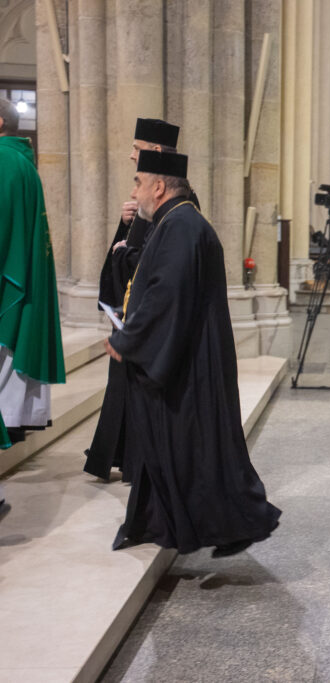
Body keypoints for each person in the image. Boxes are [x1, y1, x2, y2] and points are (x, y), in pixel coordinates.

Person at [106, 150, 280, 556]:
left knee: (196, 453)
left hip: (190, 365)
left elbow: (167, 295)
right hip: (189, 357)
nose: (134, 192)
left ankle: (235, 524)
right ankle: (156, 522)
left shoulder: (181, 226)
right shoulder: (177, 222)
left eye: (138, 182)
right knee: (177, 451)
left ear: (159, 187)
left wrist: (127, 340)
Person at [85, 117, 198, 482]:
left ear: (156, 151)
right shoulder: (151, 199)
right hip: (133, 308)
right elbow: (136, 248)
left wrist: (125, 254)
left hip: (150, 314)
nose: (131, 154)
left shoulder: (181, 206)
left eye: (136, 148)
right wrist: (125, 225)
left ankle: (138, 462)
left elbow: (159, 262)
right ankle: (120, 456)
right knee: (121, 385)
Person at [0, 97, 64, 447]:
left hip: (7, 276)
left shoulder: (3, 160)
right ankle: (14, 422)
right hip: (22, 271)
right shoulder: (24, 162)